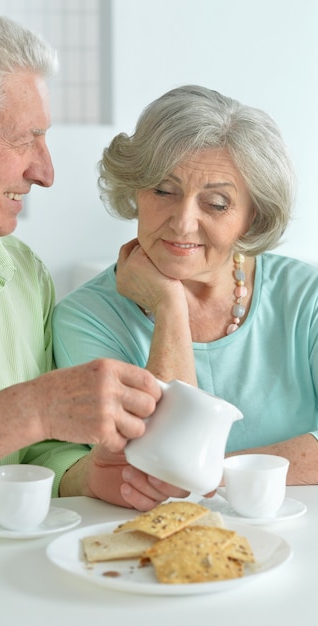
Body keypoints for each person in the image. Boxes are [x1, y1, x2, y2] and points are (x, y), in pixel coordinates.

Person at [0, 3, 163, 528]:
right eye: (24, 138)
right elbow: (28, 419)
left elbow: (35, 452)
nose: (45, 172)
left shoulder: (23, 274)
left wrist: (85, 474)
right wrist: (29, 409)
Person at [53, 84, 318, 511]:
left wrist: (214, 474)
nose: (183, 222)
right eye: (162, 191)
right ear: (135, 191)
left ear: (252, 218)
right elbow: (159, 467)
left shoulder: (307, 296)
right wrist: (169, 307)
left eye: (215, 203)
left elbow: (181, 476)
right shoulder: (85, 318)